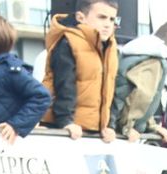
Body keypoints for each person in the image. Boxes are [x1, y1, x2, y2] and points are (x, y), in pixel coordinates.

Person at [41, 0, 119, 142]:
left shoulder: (111, 47)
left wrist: (110, 125)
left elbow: (111, 90)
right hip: (64, 129)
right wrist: (66, 122)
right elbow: (64, 85)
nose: (108, 24)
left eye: (112, 19)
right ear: (80, 18)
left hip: (92, 132)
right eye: (101, 17)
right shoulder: (68, 41)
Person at [109, 21, 167, 144]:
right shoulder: (156, 61)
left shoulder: (137, 51)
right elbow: (142, 95)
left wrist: (152, 125)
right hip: (119, 128)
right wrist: (128, 127)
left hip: (112, 119)